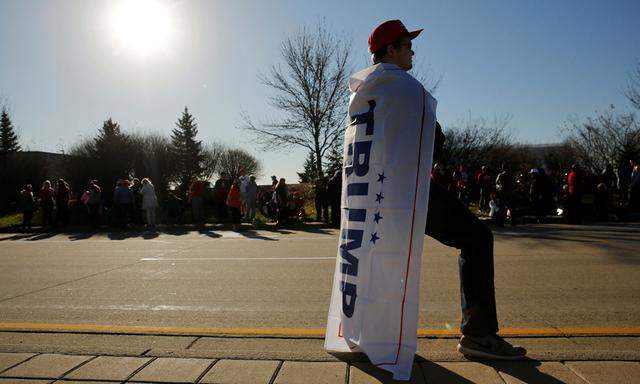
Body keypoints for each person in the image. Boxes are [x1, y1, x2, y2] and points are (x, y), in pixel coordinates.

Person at [366, 19, 526, 361]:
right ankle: (478, 335)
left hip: (373, 192)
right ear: (391, 49)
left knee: (382, 257)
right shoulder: (405, 87)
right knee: (477, 238)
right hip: (408, 187)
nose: (413, 52)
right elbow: (434, 139)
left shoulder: (364, 90)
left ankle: (367, 333)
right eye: (408, 45)